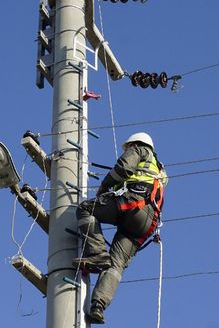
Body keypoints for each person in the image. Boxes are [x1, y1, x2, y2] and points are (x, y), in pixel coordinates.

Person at [72, 132, 168, 324]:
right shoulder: (160, 170)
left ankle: (98, 253)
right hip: (146, 224)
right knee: (116, 264)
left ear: (135, 143)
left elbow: (123, 168)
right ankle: (98, 306)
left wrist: (105, 186)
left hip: (134, 204)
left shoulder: (139, 150)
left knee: (85, 209)